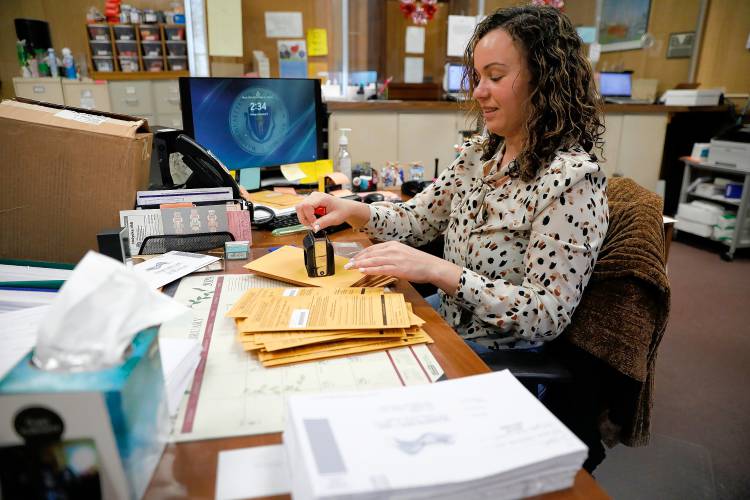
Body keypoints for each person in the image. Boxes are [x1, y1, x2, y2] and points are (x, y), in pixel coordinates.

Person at [296, 5, 608, 354]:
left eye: (495, 76)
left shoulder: (572, 181)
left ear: (545, 79)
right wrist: (350, 209)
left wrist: (439, 271)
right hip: (444, 332)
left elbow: (547, 314)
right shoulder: (479, 156)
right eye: (478, 77)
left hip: (495, 360)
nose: (478, 91)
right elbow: (415, 220)